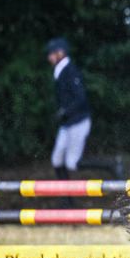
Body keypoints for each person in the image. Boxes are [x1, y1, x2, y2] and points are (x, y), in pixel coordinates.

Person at [46, 38, 92, 183]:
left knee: (72, 163)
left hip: (78, 121)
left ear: (61, 53)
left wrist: (65, 111)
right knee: (57, 160)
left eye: (52, 54)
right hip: (67, 123)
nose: (49, 57)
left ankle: (111, 167)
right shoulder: (59, 72)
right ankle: (67, 200)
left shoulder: (71, 72)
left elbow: (81, 98)